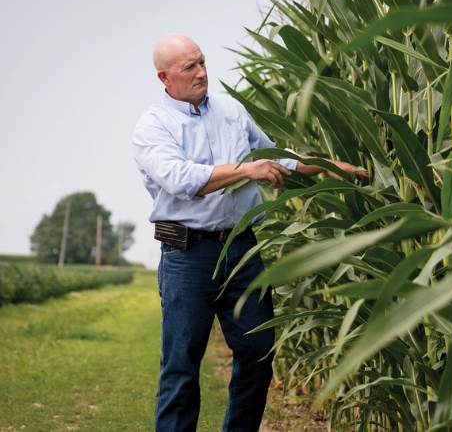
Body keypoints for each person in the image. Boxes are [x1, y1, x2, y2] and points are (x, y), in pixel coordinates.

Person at [132, 33, 367, 432]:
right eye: (190, 67)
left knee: (258, 353)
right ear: (165, 77)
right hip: (189, 256)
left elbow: (273, 157)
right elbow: (182, 180)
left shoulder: (230, 110)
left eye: (203, 62)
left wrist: (328, 166)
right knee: (181, 364)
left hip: (242, 250)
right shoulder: (153, 127)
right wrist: (244, 171)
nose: (202, 72)